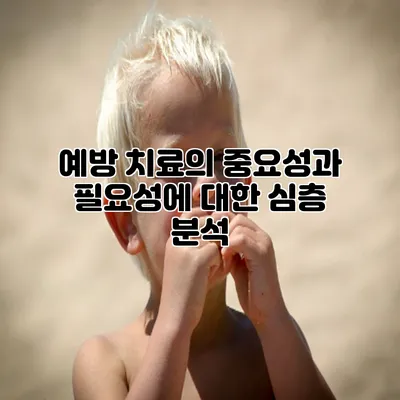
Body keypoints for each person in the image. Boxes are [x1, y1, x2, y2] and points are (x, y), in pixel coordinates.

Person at [72, 12, 336, 400]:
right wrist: (174, 326)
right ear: (127, 223)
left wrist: (274, 317)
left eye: (222, 158)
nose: (209, 185)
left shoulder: (271, 344)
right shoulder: (107, 360)